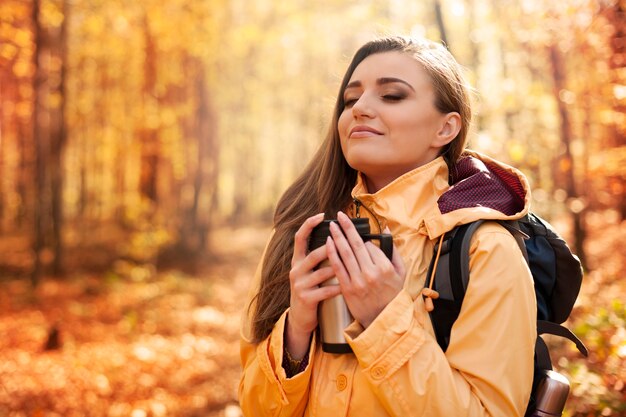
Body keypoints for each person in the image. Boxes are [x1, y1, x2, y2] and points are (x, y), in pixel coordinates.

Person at [238, 35, 537, 416]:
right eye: (350, 99)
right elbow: (252, 405)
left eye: (392, 95)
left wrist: (386, 320)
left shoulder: (486, 251)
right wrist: (295, 333)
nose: (360, 108)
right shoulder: (303, 234)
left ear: (445, 129)